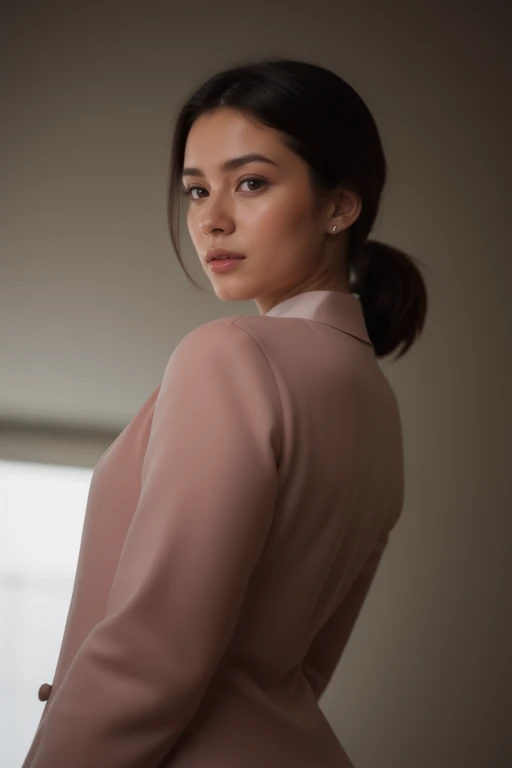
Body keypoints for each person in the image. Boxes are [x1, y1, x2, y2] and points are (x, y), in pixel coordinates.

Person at [22, 56, 427, 767]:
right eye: (195, 189)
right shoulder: (376, 403)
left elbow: (153, 653)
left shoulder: (231, 354)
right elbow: (306, 671)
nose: (210, 219)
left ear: (341, 205)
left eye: (250, 183)